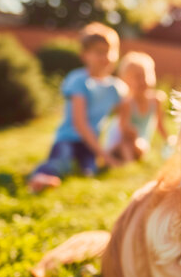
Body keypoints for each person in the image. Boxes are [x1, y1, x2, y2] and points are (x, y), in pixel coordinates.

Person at [28, 22, 126, 192]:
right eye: (99, 52)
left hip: (90, 145)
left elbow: (125, 114)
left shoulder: (115, 88)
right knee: (62, 161)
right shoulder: (78, 80)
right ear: (85, 55)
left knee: (89, 171)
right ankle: (40, 178)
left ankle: (71, 170)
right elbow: (80, 124)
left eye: (109, 51)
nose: (106, 57)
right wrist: (104, 155)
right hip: (69, 139)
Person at [105, 51, 170, 162]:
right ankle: (126, 164)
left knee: (139, 147)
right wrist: (133, 132)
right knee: (127, 146)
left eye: (144, 76)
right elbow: (122, 127)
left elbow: (159, 124)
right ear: (126, 81)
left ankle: (127, 160)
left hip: (140, 141)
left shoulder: (156, 101)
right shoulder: (127, 103)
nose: (142, 81)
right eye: (137, 77)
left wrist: (167, 139)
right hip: (120, 139)